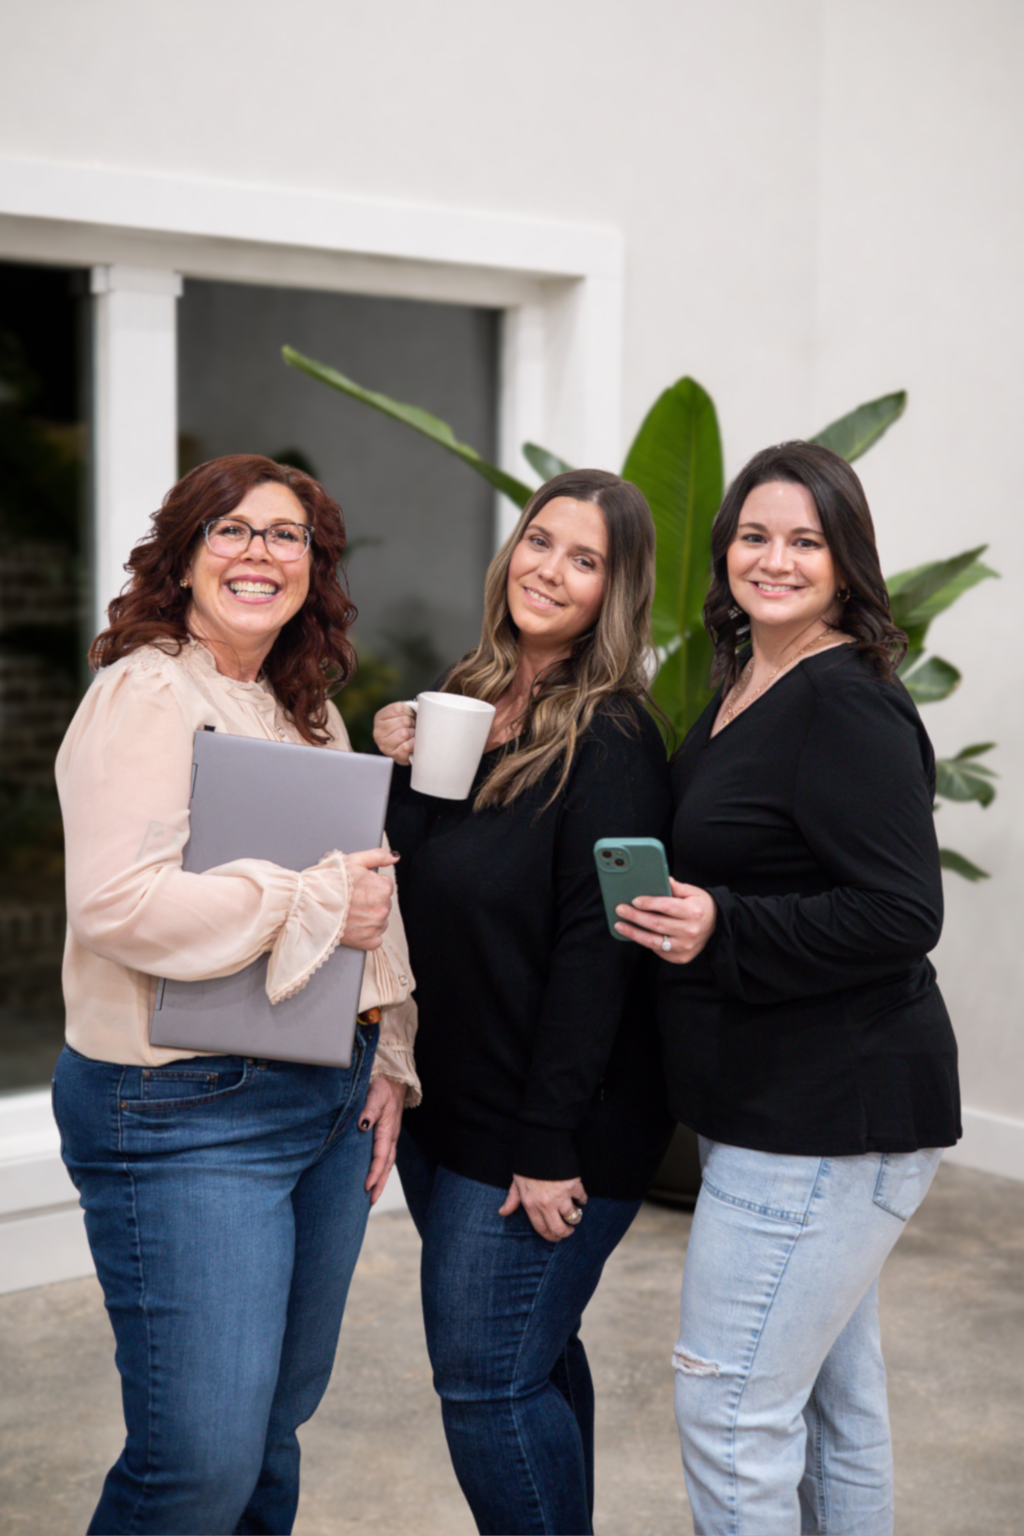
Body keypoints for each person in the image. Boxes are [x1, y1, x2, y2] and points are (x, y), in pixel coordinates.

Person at [52, 454, 419, 1536]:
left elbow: (371, 895)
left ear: (315, 566)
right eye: (232, 529)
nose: (260, 552)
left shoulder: (299, 708)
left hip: (324, 1102)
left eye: (287, 534)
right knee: (197, 1469)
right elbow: (116, 905)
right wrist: (299, 899)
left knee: (268, 1436)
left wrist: (387, 1051)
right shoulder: (146, 691)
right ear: (184, 555)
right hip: (181, 1109)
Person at [615, 441, 961, 1536]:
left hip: (822, 1116)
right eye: (753, 537)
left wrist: (723, 924)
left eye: (803, 541)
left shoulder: (843, 701)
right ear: (722, 557)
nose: (774, 559)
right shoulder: (751, 682)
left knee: (729, 1415)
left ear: (845, 562)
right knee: (828, 1404)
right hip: (776, 1103)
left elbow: (903, 913)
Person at [372, 469, 674, 1535]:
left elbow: (607, 952)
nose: (549, 569)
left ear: (615, 590)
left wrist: (549, 1144)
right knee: (531, 1361)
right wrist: (394, 760)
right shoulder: (469, 694)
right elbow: (424, 876)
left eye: (583, 559)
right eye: (540, 541)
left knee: (486, 1387)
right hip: (449, 1103)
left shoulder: (615, 742)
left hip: (543, 1131)